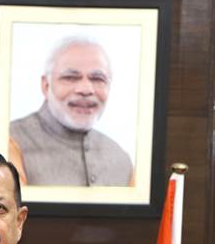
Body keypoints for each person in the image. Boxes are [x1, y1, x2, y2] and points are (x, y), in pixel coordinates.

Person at [9, 37, 133, 186]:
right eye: (70, 77)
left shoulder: (120, 160)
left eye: (97, 79)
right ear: (46, 86)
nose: (86, 89)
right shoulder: (9, 142)